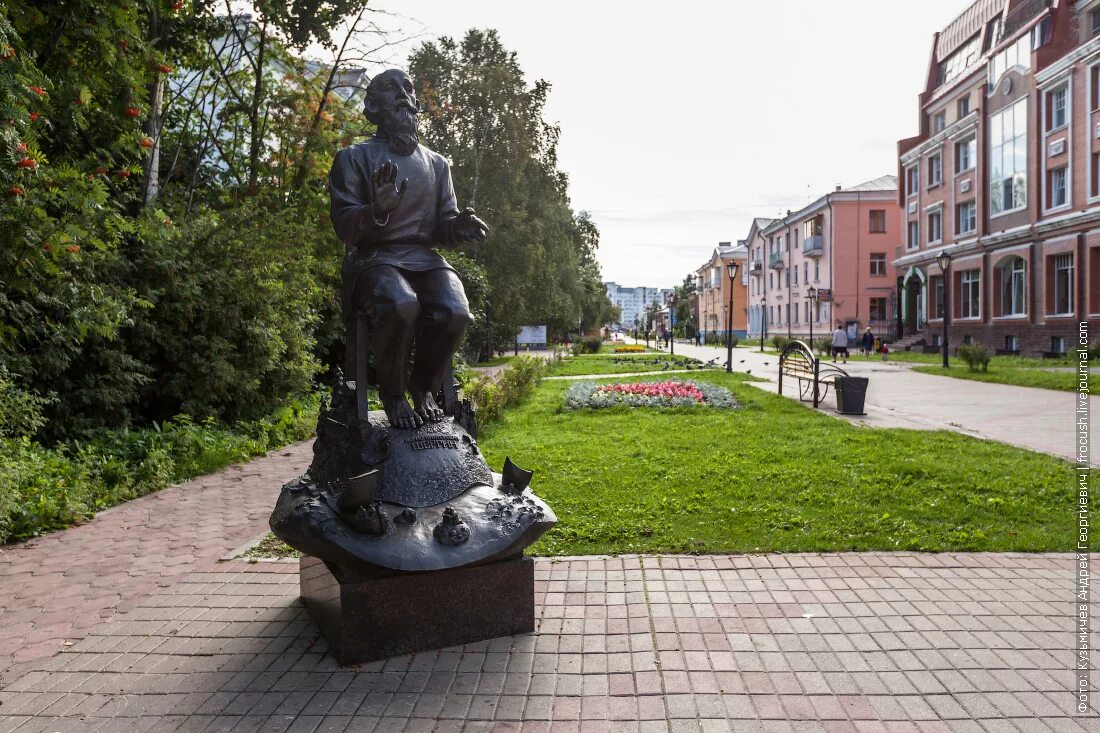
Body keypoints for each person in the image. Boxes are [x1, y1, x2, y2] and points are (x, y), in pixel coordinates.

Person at [329, 68, 489, 430]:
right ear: (373, 105)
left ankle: (422, 389)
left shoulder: (437, 164)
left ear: (417, 105)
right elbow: (345, 227)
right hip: (373, 259)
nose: (402, 95)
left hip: (423, 258)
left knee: (455, 311)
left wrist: (457, 226)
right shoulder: (352, 158)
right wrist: (377, 210)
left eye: (408, 88)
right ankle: (394, 395)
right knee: (401, 303)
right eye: (390, 88)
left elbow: (442, 225)